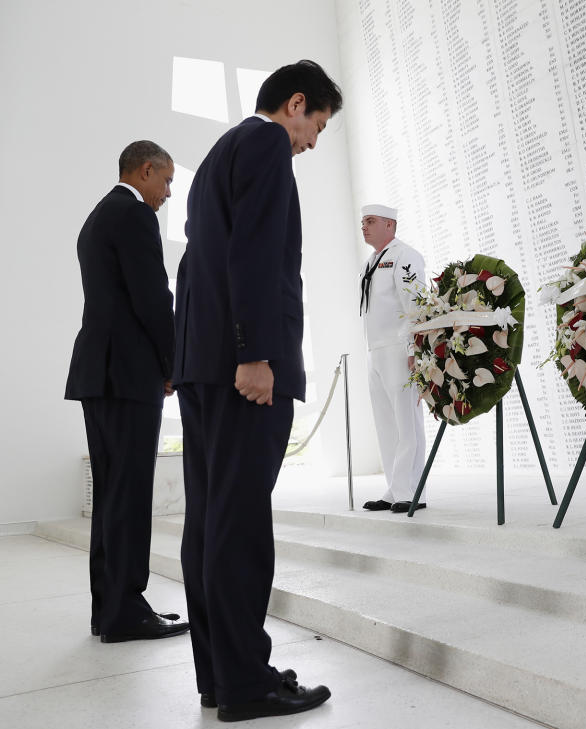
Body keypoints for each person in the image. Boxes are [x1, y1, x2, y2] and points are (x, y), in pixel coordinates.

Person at [173, 60, 341, 721]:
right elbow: (255, 255)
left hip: (201, 364)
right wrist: (256, 354)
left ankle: (221, 676)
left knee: (211, 522)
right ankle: (248, 683)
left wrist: (191, 355)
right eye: (317, 125)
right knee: (239, 525)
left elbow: (197, 263)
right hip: (240, 367)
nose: (312, 142)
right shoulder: (268, 142)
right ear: (295, 104)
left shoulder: (221, 151)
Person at [65, 141, 189, 642]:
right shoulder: (134, 216)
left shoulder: (97, 217)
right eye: (166, 181)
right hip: (127, 374)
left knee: (113, 494)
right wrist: (174, 363)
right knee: (130, 494)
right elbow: (153, 298)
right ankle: (126, 611)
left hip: (100, 374)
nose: (167, 193)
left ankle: (110, 609)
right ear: (144, 170)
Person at [358, 204, 427, 514]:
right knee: (386, 422)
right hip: (376, 350)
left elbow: (414, 303)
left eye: (370, 221)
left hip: (399, 348)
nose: (364, 227)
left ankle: (411, 489)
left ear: (390, 225)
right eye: (362, 222)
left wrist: (415, 348)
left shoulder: (405, 256)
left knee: (406, 421)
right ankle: (394, 487)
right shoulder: (372, 261)